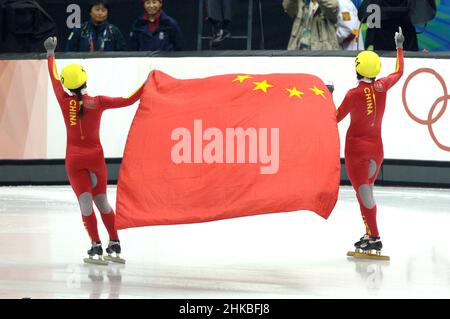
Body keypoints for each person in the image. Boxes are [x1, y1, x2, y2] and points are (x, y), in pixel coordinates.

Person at [44, 36, 146, 264]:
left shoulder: (63, 101)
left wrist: (50, 53)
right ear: (84, 80)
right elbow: (129, 100)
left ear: (67, 84)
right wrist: (147, 84)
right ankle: (115, 242)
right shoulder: (98, 102)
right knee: (102, 202)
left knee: (85, 203)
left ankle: (95, 245)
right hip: (96, 158)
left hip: (74, 160)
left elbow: (53, 79)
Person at [336, 27, 404, 256]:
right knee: (367, 193)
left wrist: (326, 96)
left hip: (357, 153)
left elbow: (334, 118)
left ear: (357, 69)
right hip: (377, 151)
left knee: (363, 194)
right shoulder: (381, 86)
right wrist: (399, 47)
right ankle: (369, 234)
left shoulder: (353, 95)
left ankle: (374, 237)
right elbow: (399, 72)